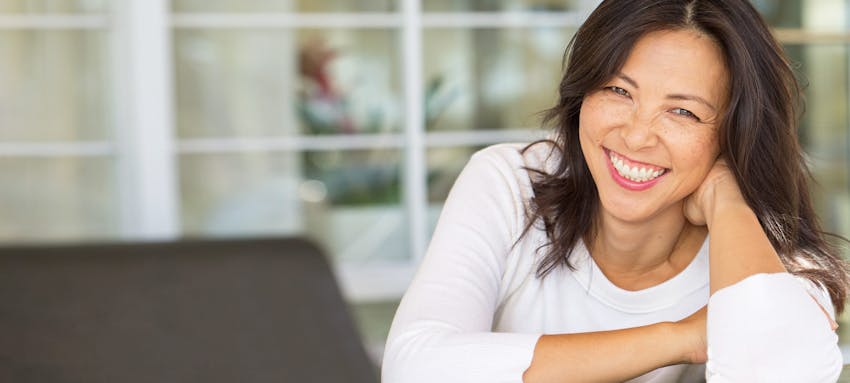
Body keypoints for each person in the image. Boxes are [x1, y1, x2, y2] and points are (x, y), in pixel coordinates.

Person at [382, 0, 850, 382]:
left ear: (735, 135)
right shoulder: (511, 180)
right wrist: (682, 337)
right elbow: (415, 366)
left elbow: (776, 372)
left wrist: (727, 196)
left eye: (683, 112)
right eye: (618, 91)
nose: (637, 135)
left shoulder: (769, 258)